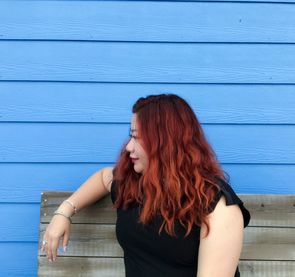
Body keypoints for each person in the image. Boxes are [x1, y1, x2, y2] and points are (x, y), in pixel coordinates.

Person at [41, 94, 250, 277]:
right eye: (131, 136)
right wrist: (64, 211)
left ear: (166, 144)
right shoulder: (135, 184)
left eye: (137, 138)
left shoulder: (218, 206)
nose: (129, 147)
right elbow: (105, 177)